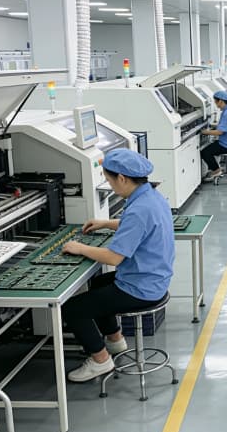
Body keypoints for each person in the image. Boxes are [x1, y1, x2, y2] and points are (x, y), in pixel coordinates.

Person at [61, 149, 174, 382]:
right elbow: (136, 226)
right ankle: (115, 340)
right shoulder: (151, 196)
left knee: (72, 309)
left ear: (122, 178)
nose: (110, 186)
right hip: (154, 278)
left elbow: (113, 258)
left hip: (141, 288)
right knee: (99, 283)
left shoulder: (139, 209)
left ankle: (100, 360)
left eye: (109, 180)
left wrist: (80, 248)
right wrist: (105, 223)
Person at [201, 90, 227, 180]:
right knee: (212, 145)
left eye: (216, 102)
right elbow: (224, 127)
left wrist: (205, 132)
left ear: (221, 101)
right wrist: (213, 128)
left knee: (205, 152)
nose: (216, 105)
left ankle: (216, 170)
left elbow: (220, 132)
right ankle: (215, 167)